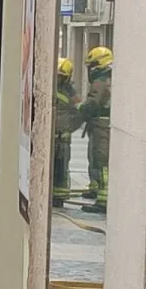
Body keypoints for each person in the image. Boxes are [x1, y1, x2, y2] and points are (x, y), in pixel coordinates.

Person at [78, 45, 112, 212]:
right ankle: (97, 191)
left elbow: (92, 104)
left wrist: (80, 110)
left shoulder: (100, 82)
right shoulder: (110, 79)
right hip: (104, 126)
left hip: (101, 127)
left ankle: (103, 201)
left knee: (101, 162)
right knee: (99, 160)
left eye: (91, 65)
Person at [53, 58, 83, 207]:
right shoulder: (49, 87)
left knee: (61, 169)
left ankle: (59, 198)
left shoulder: (71, 93)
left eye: (61, 76)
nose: (58, 79)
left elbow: (78, 114)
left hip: (63, 138)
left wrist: (69, 129)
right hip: (50, 138)